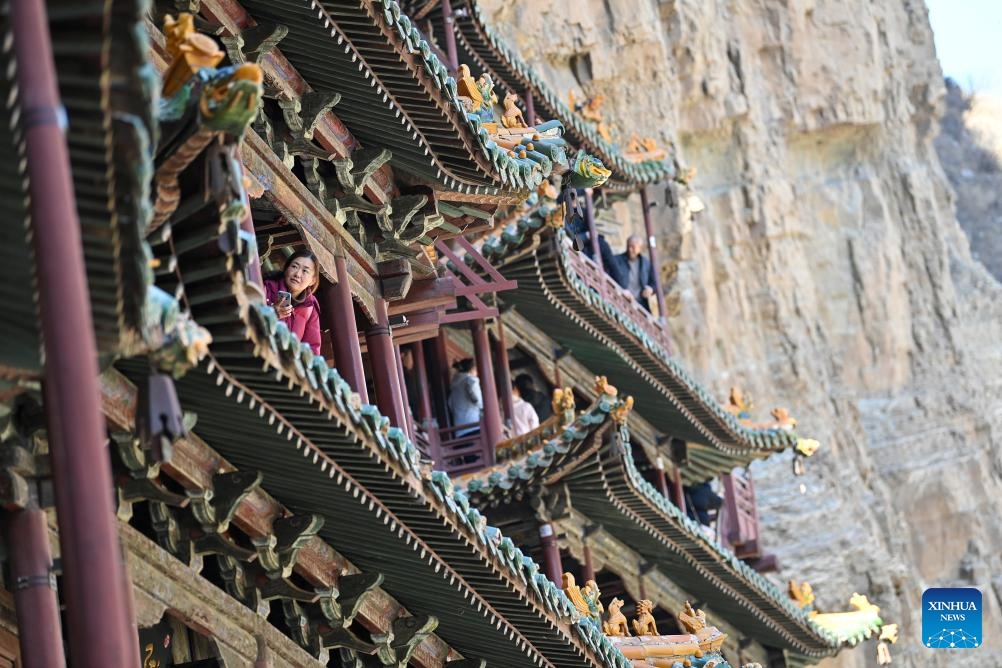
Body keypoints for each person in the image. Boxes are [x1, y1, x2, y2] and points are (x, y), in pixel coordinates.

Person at [264, 249, 322, 355]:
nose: (297, 274)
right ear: (286, 269)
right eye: (294, 266)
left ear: (313, 280)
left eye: (305, 271)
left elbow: (311, 350)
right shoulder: (266, 288)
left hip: (286, 367)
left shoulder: (310, 307)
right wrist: (272, 313)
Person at [612, 234, 657, 311]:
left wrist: (650, 289)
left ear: (640, 248)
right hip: (621, 300)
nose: (630, 249)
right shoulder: (616, 261)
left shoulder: (646, 264)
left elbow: (655, 284)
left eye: (633, 247)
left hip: (640, 303)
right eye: (628, 246)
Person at [447, 358, 482, 437]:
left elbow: (450, 404)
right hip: (473, 426)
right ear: (473, 368)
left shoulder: (454, 386)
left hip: (459, 431)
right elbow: (479, 402)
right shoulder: (471, 380)